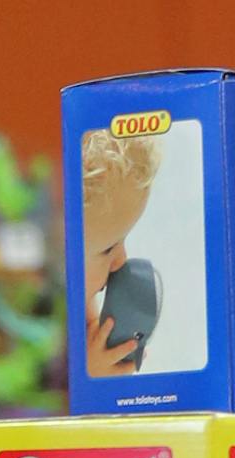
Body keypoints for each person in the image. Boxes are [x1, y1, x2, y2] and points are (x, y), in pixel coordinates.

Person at [81, 127, 162, 377]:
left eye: (123, 240)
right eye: (108, 249)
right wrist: (90, 376)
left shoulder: (86, 303)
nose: (121, 261)